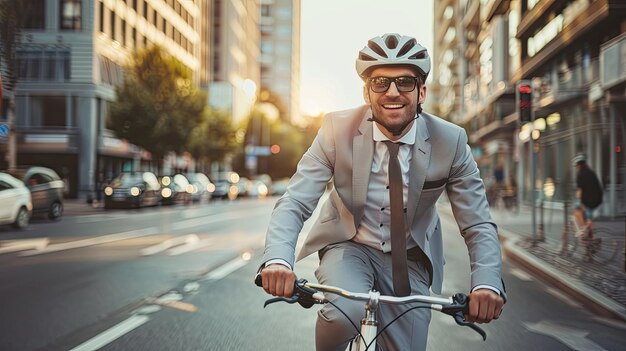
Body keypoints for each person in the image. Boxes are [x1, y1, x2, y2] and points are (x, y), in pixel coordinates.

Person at [258, 33, 506, 351]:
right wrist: (278, 260)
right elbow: (295, 200)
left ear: (422, 92)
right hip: (349, 248)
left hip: (411, 257)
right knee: (342, 313)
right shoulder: (336, 130)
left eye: (404, 82)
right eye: (380, 82)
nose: (392, 92)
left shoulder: (451, 141)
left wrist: (486, 283)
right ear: (366, 91)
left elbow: (477, 223)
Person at [572, 154, 603, 229]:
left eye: (576, 166)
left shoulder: (580, 175)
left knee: (576, 210)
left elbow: (580, 191)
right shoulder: (591, 172)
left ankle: (584, 230)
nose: (576, 167)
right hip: (598, 199)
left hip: (588, 201)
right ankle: (589, 228)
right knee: (586, 213)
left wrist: (577, 197)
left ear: (579, 165)